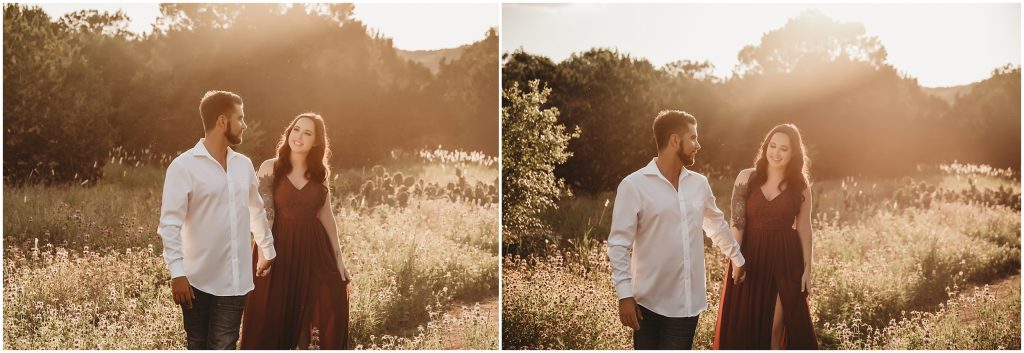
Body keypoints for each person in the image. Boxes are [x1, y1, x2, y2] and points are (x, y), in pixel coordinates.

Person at [608, 110, 747, 350]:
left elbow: (716, 225)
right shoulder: (634, 185)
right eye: (692, 138)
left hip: (686, 304)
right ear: (674, 140)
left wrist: (737, 257)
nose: (698, 145)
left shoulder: (699, 184)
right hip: (646, 304)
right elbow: (619, 244)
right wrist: (624, 295)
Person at [157, 90, 276, 349]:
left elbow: (255, 210)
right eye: (240, 118)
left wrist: (267, 250)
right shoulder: (183, 166)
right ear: (222, 121)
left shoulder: (243, 165)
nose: (244, 124)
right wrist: (177, 273)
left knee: (224, 345)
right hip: (196, 280)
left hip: (236, 280)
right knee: (198, 344)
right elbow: (169, 225)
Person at [240, 113, 352, 349]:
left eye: (307, 133)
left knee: (323, 303)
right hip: (276, 247)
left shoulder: (320, 173)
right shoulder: (270, 167)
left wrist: (340, 261)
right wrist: (264, 253)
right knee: (272, 315)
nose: (299, 136)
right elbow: (265, 214)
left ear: (316, 142)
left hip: (314, 249)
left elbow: (326, 217)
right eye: (296, 129)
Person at [713, 123, 819, 349]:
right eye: (772, 146)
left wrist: (808, 269)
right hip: (750, 257)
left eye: (784, 149)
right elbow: (738, 222)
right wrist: (736, 259)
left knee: (776, 327)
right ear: (765, 147)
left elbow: (803, 228)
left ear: (793, 154)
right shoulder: (746, 178)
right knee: (745, 326)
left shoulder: (800, 186)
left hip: (786, 259)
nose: (776, 153)